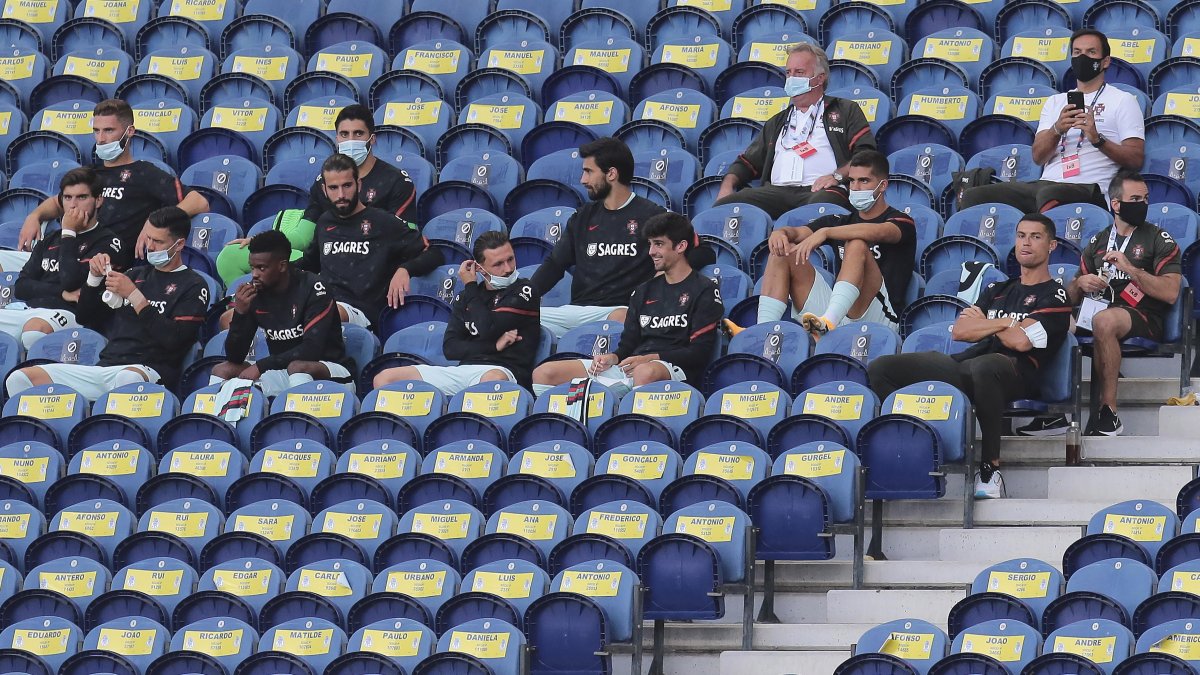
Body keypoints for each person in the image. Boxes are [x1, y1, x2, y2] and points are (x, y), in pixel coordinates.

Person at [867, 214, 1073, 499]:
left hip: (1017, 374)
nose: (1026, 243)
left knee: (985, 366)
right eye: (1021, 235)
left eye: (1036, 237)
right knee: (882, 368)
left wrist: (988, 325)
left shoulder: (1056, 296)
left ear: (1051, 246)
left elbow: (1022, 343)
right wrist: (1004, 323)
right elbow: (962, 330)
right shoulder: (997, 289)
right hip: (967, 365)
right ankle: (912, 450)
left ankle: (990, 469)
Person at [5, 206, 209, 399]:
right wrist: (93, 279)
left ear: (180, 244)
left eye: (158, 241)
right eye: (148, 239)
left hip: (147, 370)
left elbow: (175, 340)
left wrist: (135, 296)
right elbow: (85, 317)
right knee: (21, 378)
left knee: (127, 378)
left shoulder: (194, 285)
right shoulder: (135, 274)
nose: (151, 247)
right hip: (104, 368)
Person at [215, 104, 418, 286]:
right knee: (232, 256)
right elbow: (303, 236)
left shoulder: (397, 181)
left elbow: (406, 240)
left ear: (371, 139)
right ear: (337, 138)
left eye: (358, 134)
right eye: (344, 134)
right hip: (322, 258)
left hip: (367, 262)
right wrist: (263, 241)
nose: (351, 141)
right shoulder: (324, 181)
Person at [530, 137, 713, 337]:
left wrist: (664, 275)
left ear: (611, 174)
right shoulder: (582, 216)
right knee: (517, 319)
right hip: (575, 313)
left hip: (620, 312)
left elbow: (704, 252)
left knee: (622, 319)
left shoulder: (652, 216)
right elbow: (554, 265)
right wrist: (523, 299)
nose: (583, 180)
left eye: (589, 171)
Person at [727, 150, 915, 340]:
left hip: (882, 318)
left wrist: (825, 232)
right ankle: (761, 332)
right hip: (840, 312)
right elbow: (798, 233)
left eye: (864, 181)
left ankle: (829, 322)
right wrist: (780, 233)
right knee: (783, 252)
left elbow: (880, 232)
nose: (855, 187)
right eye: (852, 181)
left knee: (857, 244)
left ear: (882, 186)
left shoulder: (901, 220)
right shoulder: (838, 220)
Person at [532, 212, 723, 395]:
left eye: (658, 244)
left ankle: (636, 423)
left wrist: (651, 358)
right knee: (545, 373)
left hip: (673, 370)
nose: (651, 252)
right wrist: (612, 358)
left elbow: (699, 352)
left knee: (644, 372)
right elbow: (627, 344)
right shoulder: (643, 291)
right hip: (633, 366)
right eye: (650, 244)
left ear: (681, 246)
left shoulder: (704, 289)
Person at [958, 29, 1144, 213]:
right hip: (1045, 185)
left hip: (1090, 188)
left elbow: (1135, 159)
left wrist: (1097, 139)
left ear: (1105, 61)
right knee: (974, 196)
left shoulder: (1123, 100)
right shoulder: (1055, 102)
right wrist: (1057, 129)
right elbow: (1038, 157)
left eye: (1091, 52)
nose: (1083, 58)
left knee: (1048, 193)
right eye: (1077, 52)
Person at [12, 99, 208, 267]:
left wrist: (153, 223)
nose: (101, 139)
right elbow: (58, 202)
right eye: (96, 131)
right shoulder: (90, 173)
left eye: (108, 131)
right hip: (66, 254)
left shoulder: (145, 172)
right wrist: (34, 216)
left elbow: (199, 202)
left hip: (104, 262)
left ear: (129, 131)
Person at [1065, 171, 1179, 436]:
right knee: (1047, 320)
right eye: (1135, 198)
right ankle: (1053, 414)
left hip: (1144, 315)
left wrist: (1131, 269)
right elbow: (1069, 297)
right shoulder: (1097, 243)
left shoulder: (1158, 239)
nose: (1142, 204)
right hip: (1097, 310)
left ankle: (1109, 414)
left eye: (1145, 199)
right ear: (1116, 204)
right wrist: (1080, 284)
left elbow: (1171, 292)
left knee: (1104, 320)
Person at [712, 42, 875, 219]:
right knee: (724, 207)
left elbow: (866, 155)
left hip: (820, 190)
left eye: (799, 73)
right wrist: (727, 186)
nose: (791, 79)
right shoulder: (777, 121)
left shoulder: (845, 110)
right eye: (788, 73)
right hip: (776, 193)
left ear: (819, 78)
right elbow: (746, 163)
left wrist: (837, 176)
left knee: (822, 207)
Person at [373, 231, 541, 394]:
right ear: (479, 268)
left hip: (504, 371)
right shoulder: (467, 296)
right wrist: (494, 346)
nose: (508, 269)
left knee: (490, 380)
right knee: (385, 378)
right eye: (498, 264)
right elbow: (451, 348)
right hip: (463, 371)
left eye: (510, 259)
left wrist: (470, 286)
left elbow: (488, 328)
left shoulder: (525, 290)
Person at [210, 230, 354, 397]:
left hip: (329, 371)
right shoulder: (255, 292)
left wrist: (261, 366)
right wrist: (240, 313)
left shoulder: (314, 288)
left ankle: (299, 421)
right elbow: (235, 356)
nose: (254, 274)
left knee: (298, 367)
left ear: (282, 265)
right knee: (222, 369)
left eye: (261, 268)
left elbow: (312, 349)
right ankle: (216, 422)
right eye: (252, 267)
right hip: (283, 370)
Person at [309, 153, 442, 328]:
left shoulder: (383, 222)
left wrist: (405, 269)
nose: (341, 194)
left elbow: (434, 254)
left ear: (359, 185)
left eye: (347, 185)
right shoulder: (324, 223)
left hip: (362, 314)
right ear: (325, 191)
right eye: (334, 188)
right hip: (326, 305)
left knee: (319, 313)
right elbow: (309, 263)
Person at [0, 168, 127, 349]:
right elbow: (21, 287)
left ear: (98, 200)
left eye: (81, 197)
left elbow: (71, 281)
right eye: (67, 198)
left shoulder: (108, 243)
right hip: (29, 309)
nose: (73, 205)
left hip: (70, 315)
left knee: (34, 331)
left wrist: (69, 233)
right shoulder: (51, 239)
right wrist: (61, 293)